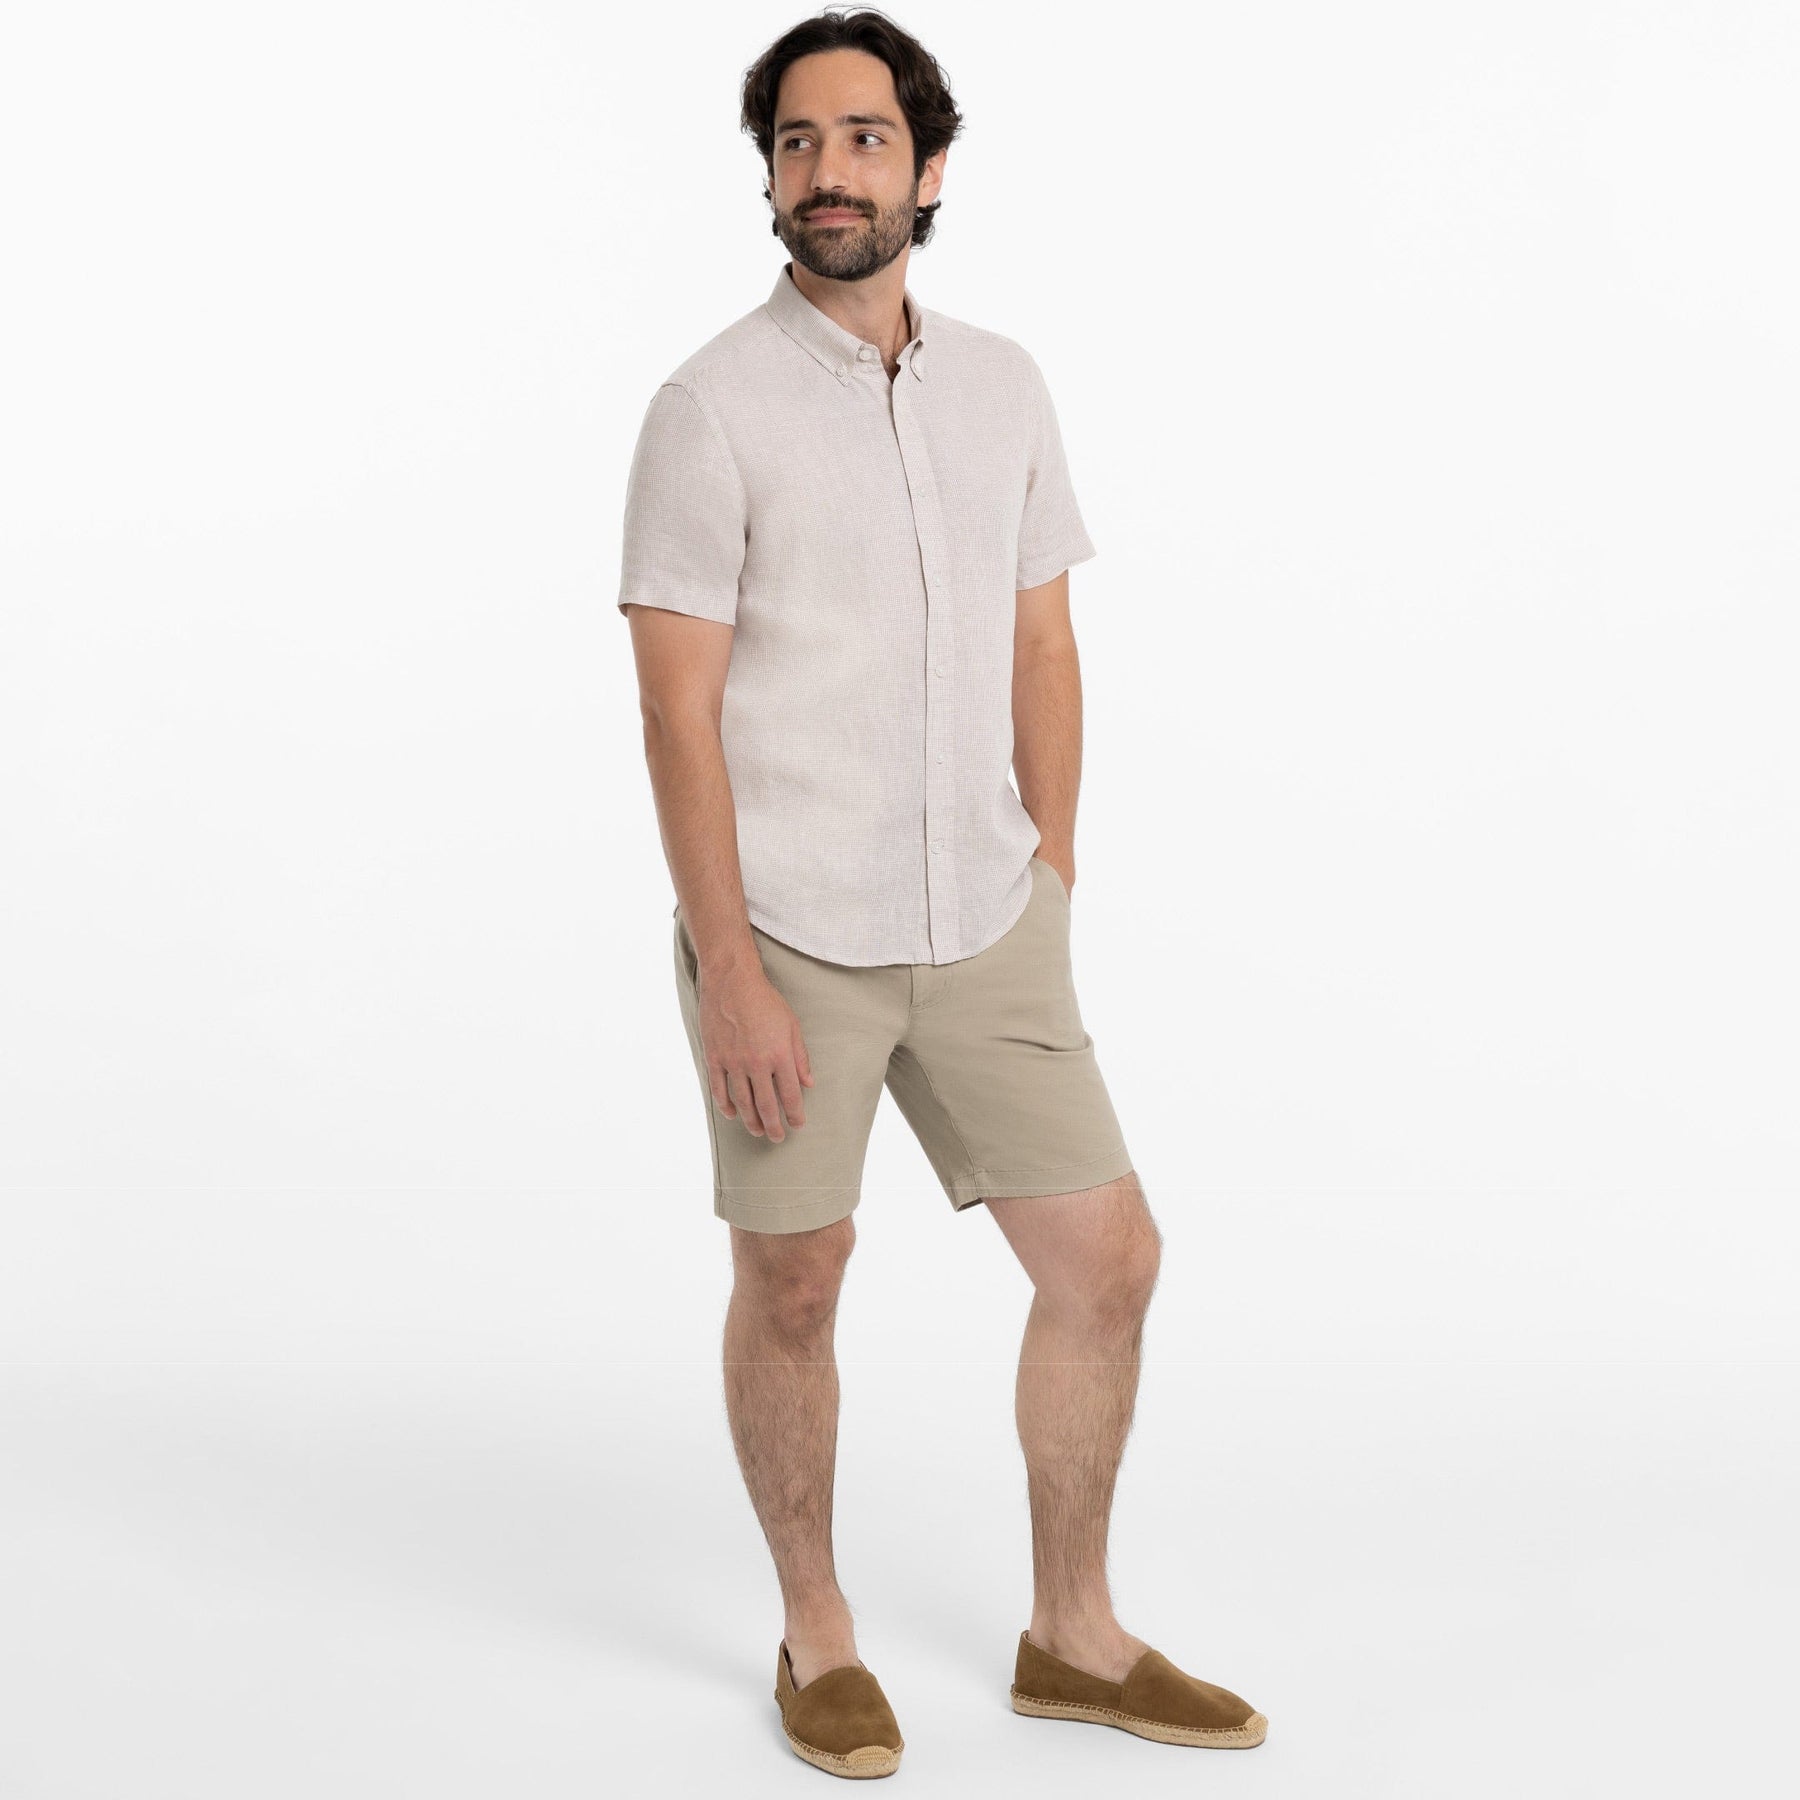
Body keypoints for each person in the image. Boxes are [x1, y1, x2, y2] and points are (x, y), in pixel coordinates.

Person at [617, 7, 1266, 1776]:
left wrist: (1052, 866)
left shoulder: (1006, 386)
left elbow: (1043, 636)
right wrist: (730, 970)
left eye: (864, 138)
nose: (828, 171)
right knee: (797, 1280)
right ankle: (815, 1633)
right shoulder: (706, 410)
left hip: (988, 920)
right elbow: (675, 712)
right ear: (769, 176)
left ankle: (1074, 1633)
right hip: (789, 936)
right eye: (797, 141)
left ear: (929, 166)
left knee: (1110, 1261)